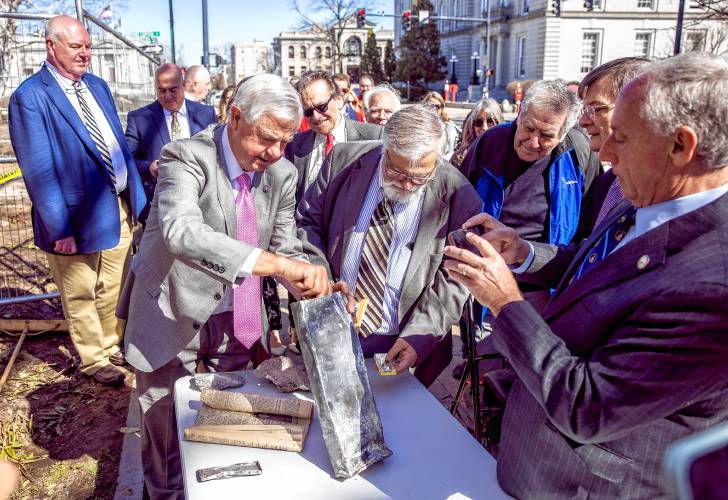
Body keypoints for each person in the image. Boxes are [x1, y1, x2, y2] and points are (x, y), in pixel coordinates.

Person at [444, 52, 728, 499]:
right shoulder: (646, 193)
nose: (604, 151)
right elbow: (593, 269)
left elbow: (588, 405)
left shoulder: (713, 285)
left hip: (586, 485)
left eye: (622, 137)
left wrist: (503, 301)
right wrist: (523, 252)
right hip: (537, 464)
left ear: (681, 146)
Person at [117, 74, 349, 498]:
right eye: (266, 139)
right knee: (165, 432)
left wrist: (309, 284)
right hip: (170, 312)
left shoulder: (280, 173)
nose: (276, 153)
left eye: (285, 141)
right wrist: (277, 263)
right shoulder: (185, 156)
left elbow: (283, 248)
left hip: (237, 322)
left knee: (231, 424)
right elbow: (181, 231)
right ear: (236, 116)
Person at [297, 105, 482, 386]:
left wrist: (419, 335)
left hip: (403, 339)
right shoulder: (343, 161)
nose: (408, 185)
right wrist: (321, 280)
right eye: (397, 173)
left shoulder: (460, 195)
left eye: (421, 177)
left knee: (396, 420)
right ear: (385, 148)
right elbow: (308, 223)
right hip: (336, 322)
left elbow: (456, 278)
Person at [8, 15, 146, 385]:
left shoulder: (97, 86)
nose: (85, 53)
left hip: (115, 206)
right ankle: (93, 358)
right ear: (51, 46)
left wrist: (136, 198)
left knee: (115, 283)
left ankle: (112, 343)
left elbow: (118, 146)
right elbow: (39, 171)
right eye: (76, 46)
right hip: (73, 217)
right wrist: (60, 228)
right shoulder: (30, 96)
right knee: (80, 291)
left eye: (88, 46)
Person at [459, 79, 601, 312]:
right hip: (488, 277)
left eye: (546, 135)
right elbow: (458, 201)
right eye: (528, 128)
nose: (533, 142)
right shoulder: (489, 143)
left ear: (564, 133)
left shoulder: (579, 153)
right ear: (520, 113)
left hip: (547, 284)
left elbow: (592, 223)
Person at [125, 63, 217, 221]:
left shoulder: (206, 114)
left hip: (201, 202)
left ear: (183, 85)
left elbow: (217, 152)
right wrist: (149, 167)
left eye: (173, 90)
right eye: (162, 90)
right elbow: (128, 158)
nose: (167, 96)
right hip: (159, 205)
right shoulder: (139, 118)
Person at [573, 57, 649, 241]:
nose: (583, 122)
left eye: (596, 109)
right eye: (583, 110)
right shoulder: (607, 181)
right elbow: (590, 253)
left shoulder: (666, 192)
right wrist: (525, 253)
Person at [284, 71, 383, 204]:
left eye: (321, 107)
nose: (316, 117)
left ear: (337, 100)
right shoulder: (293, 145)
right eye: (308, 111)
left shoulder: (373, 137)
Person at [450, 98, 504, 168]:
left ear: (499, 123)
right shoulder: (459, 157)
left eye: (490, 121)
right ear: (472, 126)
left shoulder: (507, 154)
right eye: (479, 122)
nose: (484, 127)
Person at [422, 91, 460, 159]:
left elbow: (451, 152)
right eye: (430, 106)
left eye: (437, 106)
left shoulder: (449, 127)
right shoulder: (418, 125)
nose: (434, 109)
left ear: (442, 109)